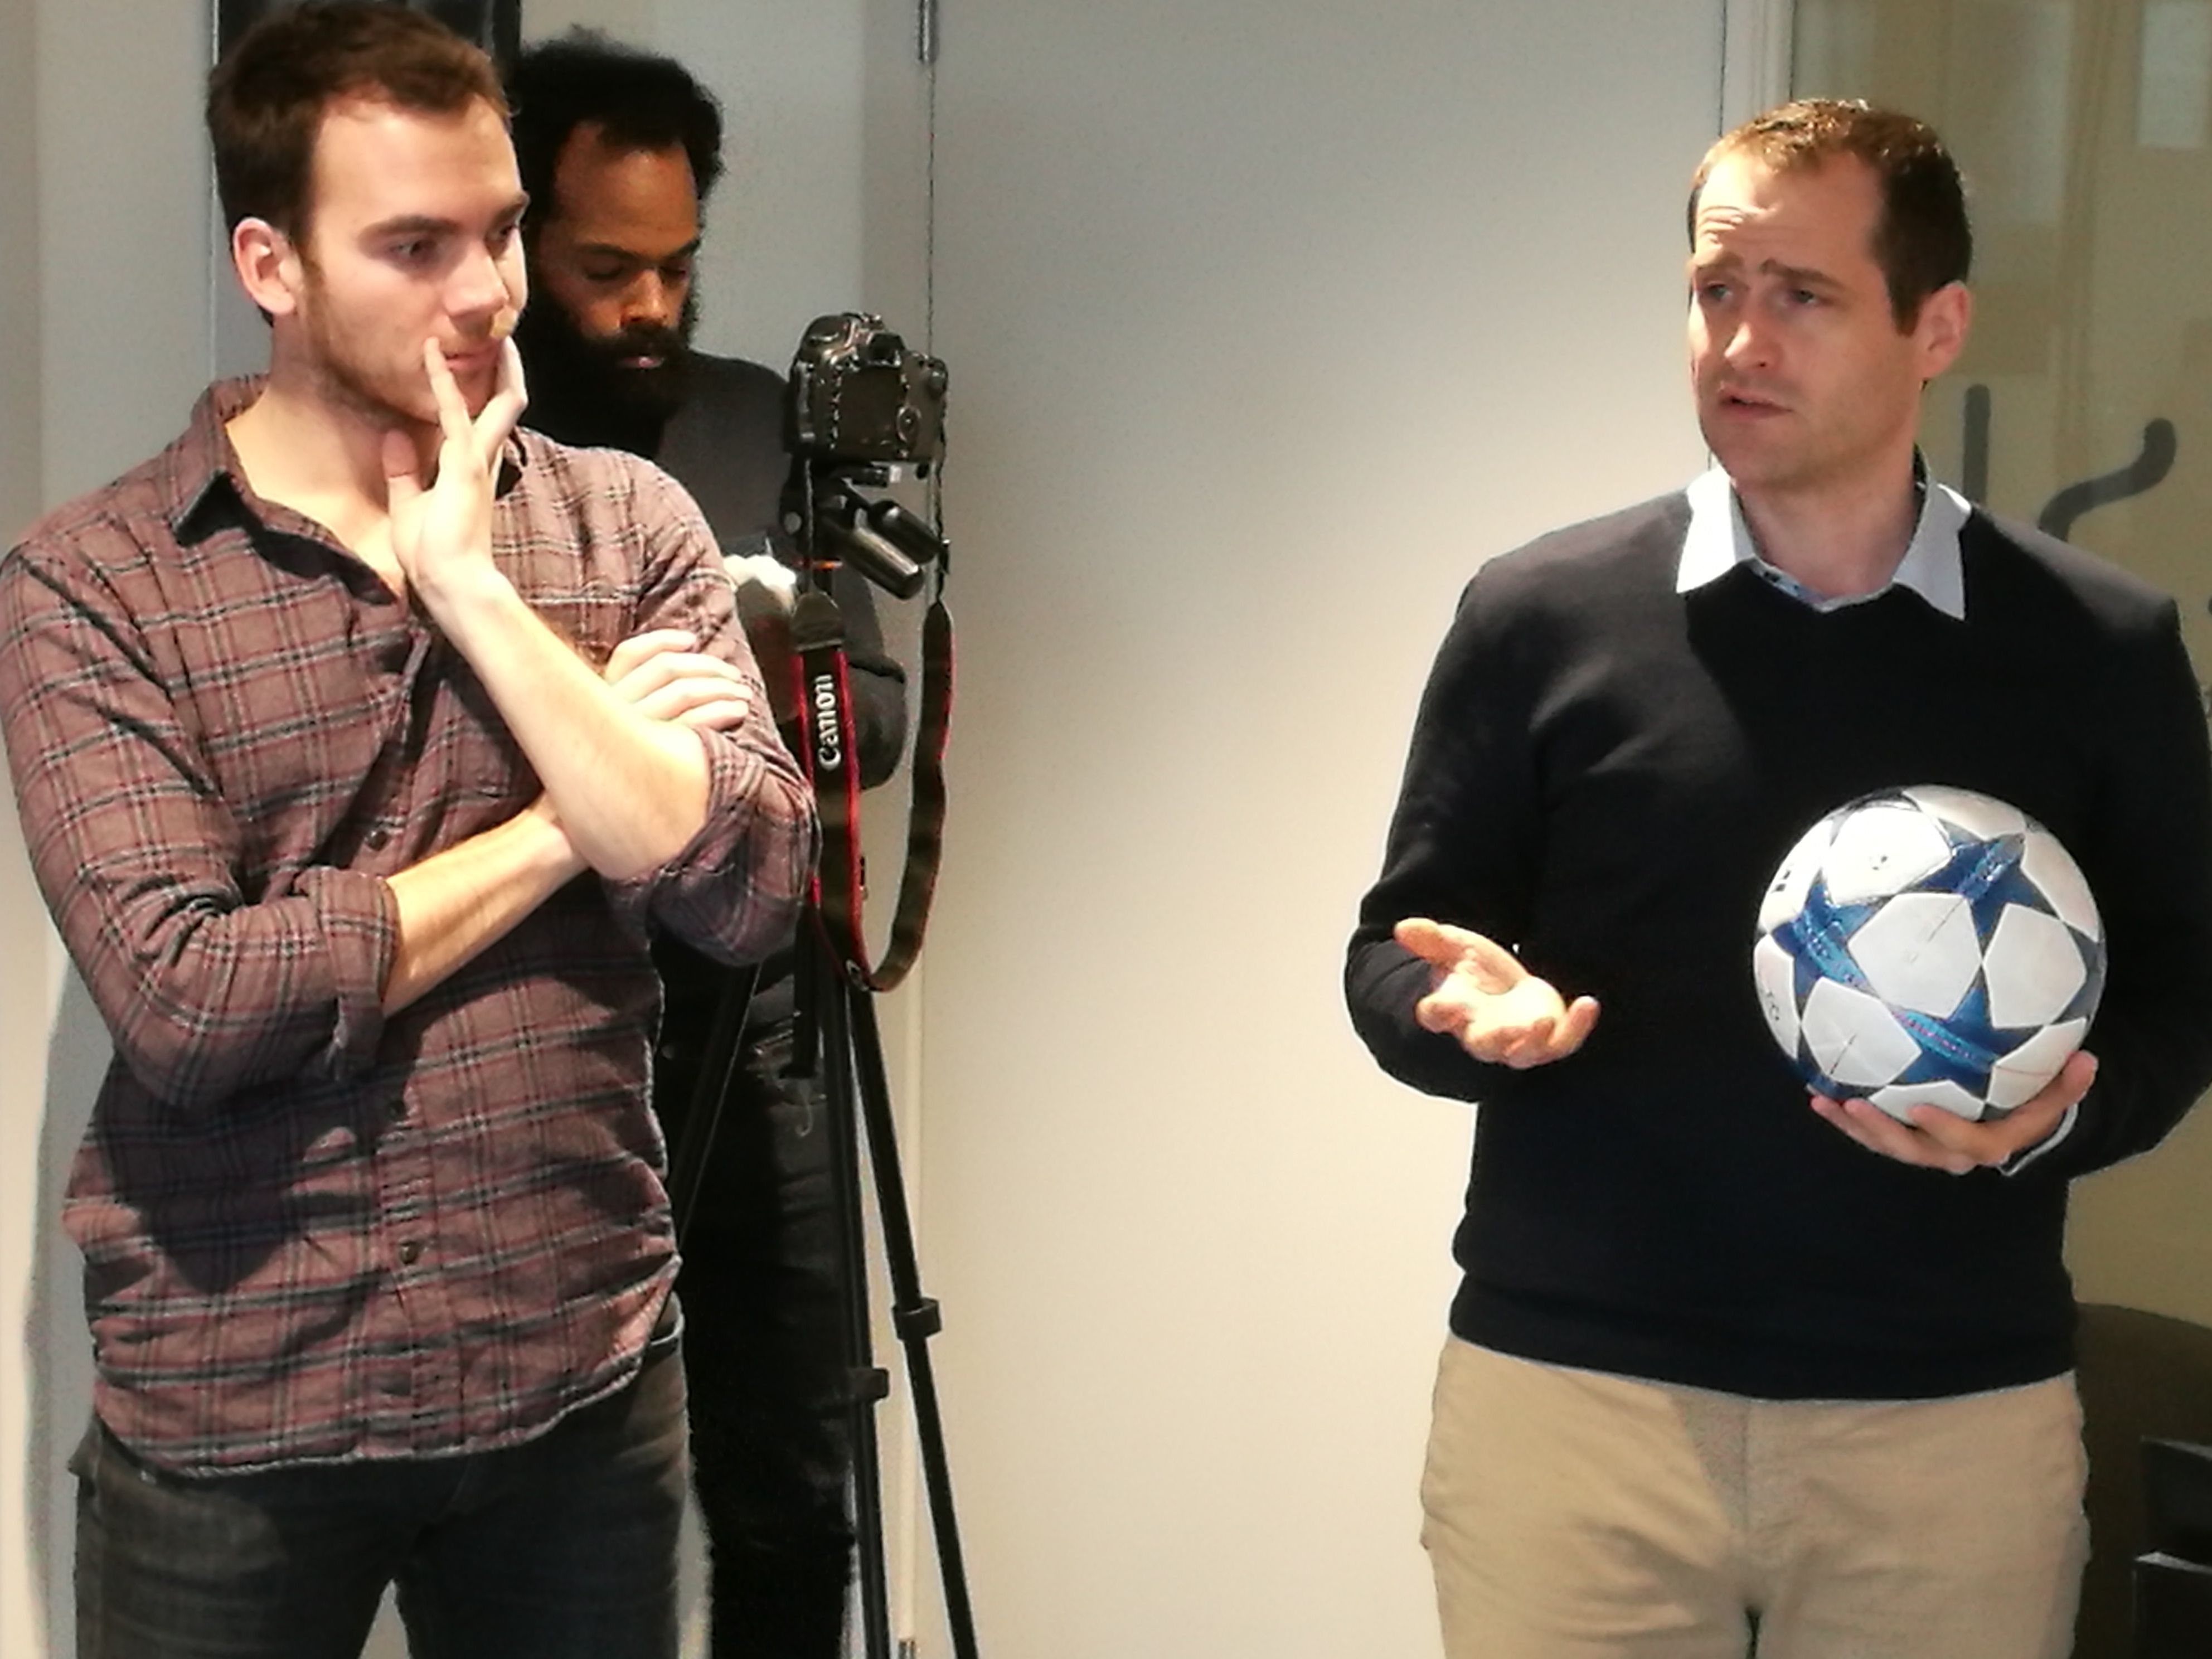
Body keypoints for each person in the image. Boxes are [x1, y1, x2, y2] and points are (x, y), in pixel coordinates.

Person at [1345, 99, 2212, 1659]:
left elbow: (2183, 995)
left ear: (1936, 325)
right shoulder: (1540, 614)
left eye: (1802, 295)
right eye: (1715, 289)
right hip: (1575, 1410)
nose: (1741, 342)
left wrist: (2052, 1121)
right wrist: (1454, 1010)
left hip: (1947, 1423)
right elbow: (1396, 949)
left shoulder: (2099, 647)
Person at [0, 7, 817, 1657]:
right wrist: (575, 822)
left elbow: (749, 886)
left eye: (501, 230)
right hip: (242, 1410)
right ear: (273, 264)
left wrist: (474, 594)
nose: (486, 292)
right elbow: (195, 1005)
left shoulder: (620, 522)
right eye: (414, 245)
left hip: (580, 1387)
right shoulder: (95, 583)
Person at [507, 33, 909, 1659]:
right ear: (517, 238)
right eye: (605, 269)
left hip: (767, 1038)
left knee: (795, 1484)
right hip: (537, 1038)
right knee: (549, 1502)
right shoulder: (467, 460)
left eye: (677, 266)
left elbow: (870, 718)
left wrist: (722, 675)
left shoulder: (755, 426)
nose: (649, 307)